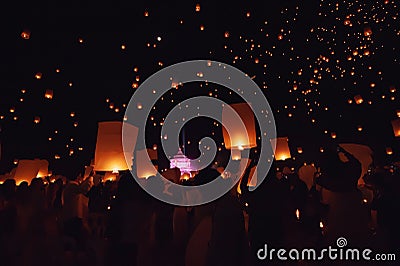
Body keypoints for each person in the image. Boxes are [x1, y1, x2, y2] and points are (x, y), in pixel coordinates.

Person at [240, 148, 289, 265]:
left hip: (258, 230)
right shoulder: (278, 187)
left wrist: (249, 167)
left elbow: (243, 189)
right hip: (275, 229)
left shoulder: (257, 190)